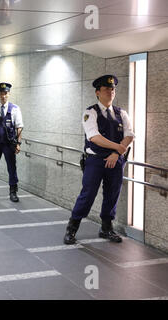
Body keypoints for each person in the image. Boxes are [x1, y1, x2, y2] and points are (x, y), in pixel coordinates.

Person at [63, 75, 134, 245]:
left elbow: (129, 135)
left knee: (112, 195)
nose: (111, 92)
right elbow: (94, 137)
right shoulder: (90, 112)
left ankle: (106, 228)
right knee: (87, 195)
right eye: (106, 89)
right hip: (95, 161)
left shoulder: (121, 113)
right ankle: (71, 229)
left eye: (113, 89)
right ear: (97, 92)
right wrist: (117, 147)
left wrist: (117, 154)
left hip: (116, 160)